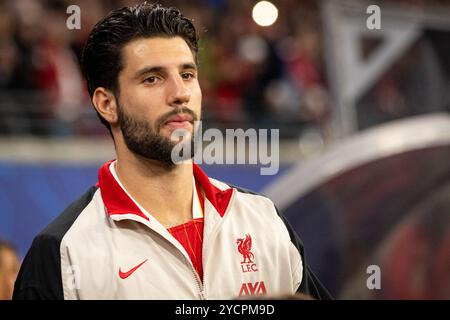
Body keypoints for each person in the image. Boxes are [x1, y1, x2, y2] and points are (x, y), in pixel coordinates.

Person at [13, 2, 331, 300]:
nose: (179, 93)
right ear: (107, 104)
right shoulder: (62, 251)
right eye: (152, 78)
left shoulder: (263, 221)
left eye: (188, 75)